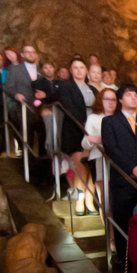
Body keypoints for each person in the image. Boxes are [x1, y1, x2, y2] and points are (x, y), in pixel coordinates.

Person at [101, 84, 137, 268]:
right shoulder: (110, 122)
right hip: (122, 180)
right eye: (129, 95)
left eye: (136, 95)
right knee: (122, 219)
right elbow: (111, 149)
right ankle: (124, 261)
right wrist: (131, 168)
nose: (134, 97)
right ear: (120, 99)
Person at [57, 56, 96, 215]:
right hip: (75, 129)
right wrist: (84, 123)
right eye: (75, 67)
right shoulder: (66, 86)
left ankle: (89, 200)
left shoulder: (92, 88)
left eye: (82, 67)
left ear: (86, 70)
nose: (79, 70)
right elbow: (68, 107)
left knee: (93, 166)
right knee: (80, 166)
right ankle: (80, 202)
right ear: (71, 70)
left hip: (93, 130)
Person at [82, 87, 118, 216]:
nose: (110, 102)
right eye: (107, 99)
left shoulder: (120, 118)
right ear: (100, 100)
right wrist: (92, 139)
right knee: (105, 198)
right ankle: (109, 228)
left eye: (113, 99)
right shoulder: (93, 118)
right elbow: (84, 143)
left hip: (118, 161)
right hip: (99, 159)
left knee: (117, 199)